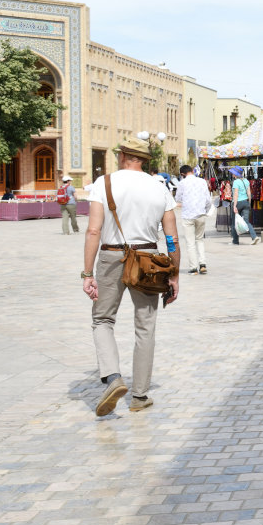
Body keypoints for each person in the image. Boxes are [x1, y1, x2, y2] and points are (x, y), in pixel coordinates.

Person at [82, 152, 180, 416]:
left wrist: (87, 273)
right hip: (148, 261)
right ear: (144, 160)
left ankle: (113, 378)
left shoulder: (104, 183)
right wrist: (174, 273)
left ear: (122, 156)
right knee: (145, 327)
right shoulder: (159, 188)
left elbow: (93, 230)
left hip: (112, 255)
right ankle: (139, 396)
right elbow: (172, 238)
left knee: (103, 320)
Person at [174, 165, 214, 274]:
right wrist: (205, 210)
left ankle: (193, 268)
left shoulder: (182, 183)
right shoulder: (202, 182)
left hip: (188, 216)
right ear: (192, 171)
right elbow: (208, 200)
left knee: (190, 242)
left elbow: (177, 199)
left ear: (182, 174)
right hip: (200, 214)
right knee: (199, 240)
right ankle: (202, 264)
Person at [230, 170, 259, 245]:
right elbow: (249, 193)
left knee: (234, 222)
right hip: (246, 202)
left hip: (238, 203)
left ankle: (235, 241)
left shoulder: (236, 182)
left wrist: (234, 206)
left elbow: (236, 194)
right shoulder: (246, 181)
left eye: (233, 173)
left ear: (236, 174)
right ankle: (254, 236)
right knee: (246, 221)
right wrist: (249, 203)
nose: (232, 174)